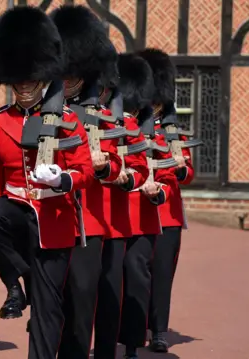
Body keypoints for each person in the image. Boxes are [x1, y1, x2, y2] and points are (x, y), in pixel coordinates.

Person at [0, 6, 94, 359]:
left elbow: (85, 171)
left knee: (48, 308)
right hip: (15, 216)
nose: (24, 88)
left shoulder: (68, 121)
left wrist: (62, 179)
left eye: (31, 80)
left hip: (53, 219)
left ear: (42, 78)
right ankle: (17, 282)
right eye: (19, 81)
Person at [48, 6, 123, 359]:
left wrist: (104, 165)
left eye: (71, 74)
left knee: (81, 295)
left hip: (87, 222)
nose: (65, 80)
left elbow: (119, 161)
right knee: (48, 301)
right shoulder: (41, 113)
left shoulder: (101, 118)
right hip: (48, 219)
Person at [117, 52, 179, 359]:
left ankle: (150, 333)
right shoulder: (111, 122)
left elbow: (172, 170)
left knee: (147, 273)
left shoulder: (162, 131)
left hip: (147, 212)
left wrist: (163, 185)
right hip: (113, 215)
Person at [92, 53, 153, 359]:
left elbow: (141, 167)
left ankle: (117, 347)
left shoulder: (126, 124)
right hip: (77, 219)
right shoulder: (67, 118)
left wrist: (125, 178)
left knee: (111, 294)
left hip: (113, 221)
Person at [138, 48, 195, 354]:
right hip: (135, 211)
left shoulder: (174, 133)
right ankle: (133, 325)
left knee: (162, 273)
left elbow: (187, 172)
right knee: (134, 272)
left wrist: (180, 166)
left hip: (167, 214)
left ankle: (158, 329)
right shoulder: (131, 126)